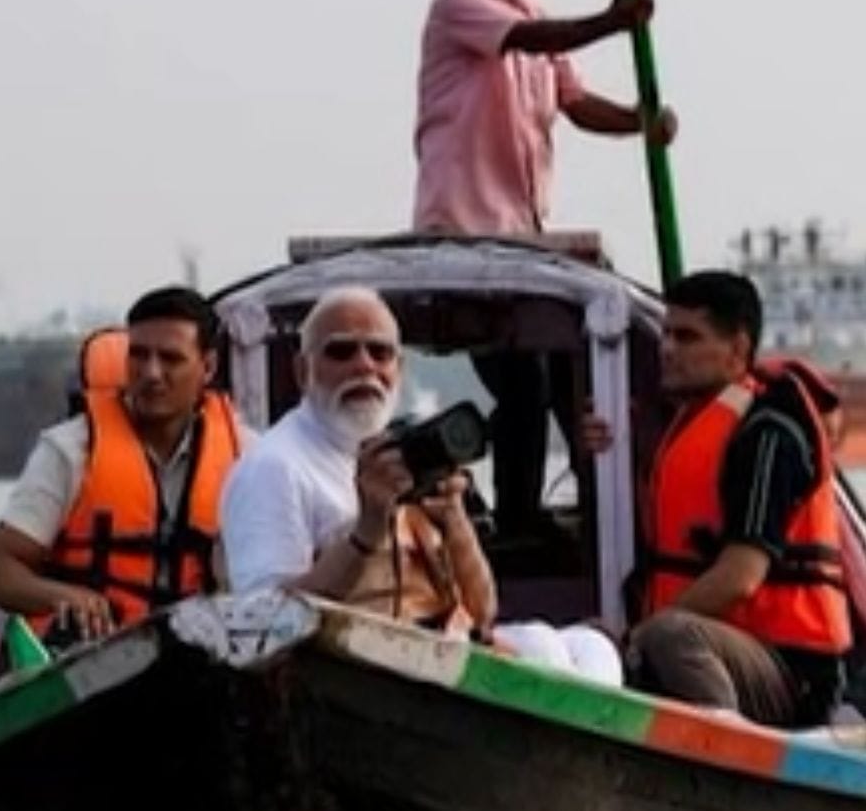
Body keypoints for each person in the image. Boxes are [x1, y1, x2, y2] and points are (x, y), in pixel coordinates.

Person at [411, 0, 678, 540]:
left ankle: (603, 518)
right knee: (523, 380)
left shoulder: (528, 7)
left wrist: (640, 122)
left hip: (522, 243)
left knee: (567, 380)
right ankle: (522, 524)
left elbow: (574, 100)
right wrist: (613, 22)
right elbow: (530, 40)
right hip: (464, 240)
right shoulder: (457, 7)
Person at [219, 284, 623, 685]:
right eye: (341, 352)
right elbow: (263, 628)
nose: (364, 366)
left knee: (589, 648)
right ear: (302, 371)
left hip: (439, 653)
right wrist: (367, 530)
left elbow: (482, 611)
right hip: (352, 673)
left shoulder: (406, 452)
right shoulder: (275, 467)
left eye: (380, 353)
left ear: (400, 369)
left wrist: (456, 522)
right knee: (547, 653)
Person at [628, 271, 851, 728]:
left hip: (792, 670)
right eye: (666, 334)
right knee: (605, 635)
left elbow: (741, 576)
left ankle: (726, 766)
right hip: (727, 646)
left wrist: (643, 634)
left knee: (671, 634)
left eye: (687, 337)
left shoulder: (767, 432)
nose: (668, 349)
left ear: (738, 351)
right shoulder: (692, 421)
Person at [0, 285, 244, 643]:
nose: (150, 373)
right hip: (87, 658)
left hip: (204, 656)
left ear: (207, 367)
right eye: (138, 355)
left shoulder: (248, 458)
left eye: (170, 358)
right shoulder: (69, 450)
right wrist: (65, 597)